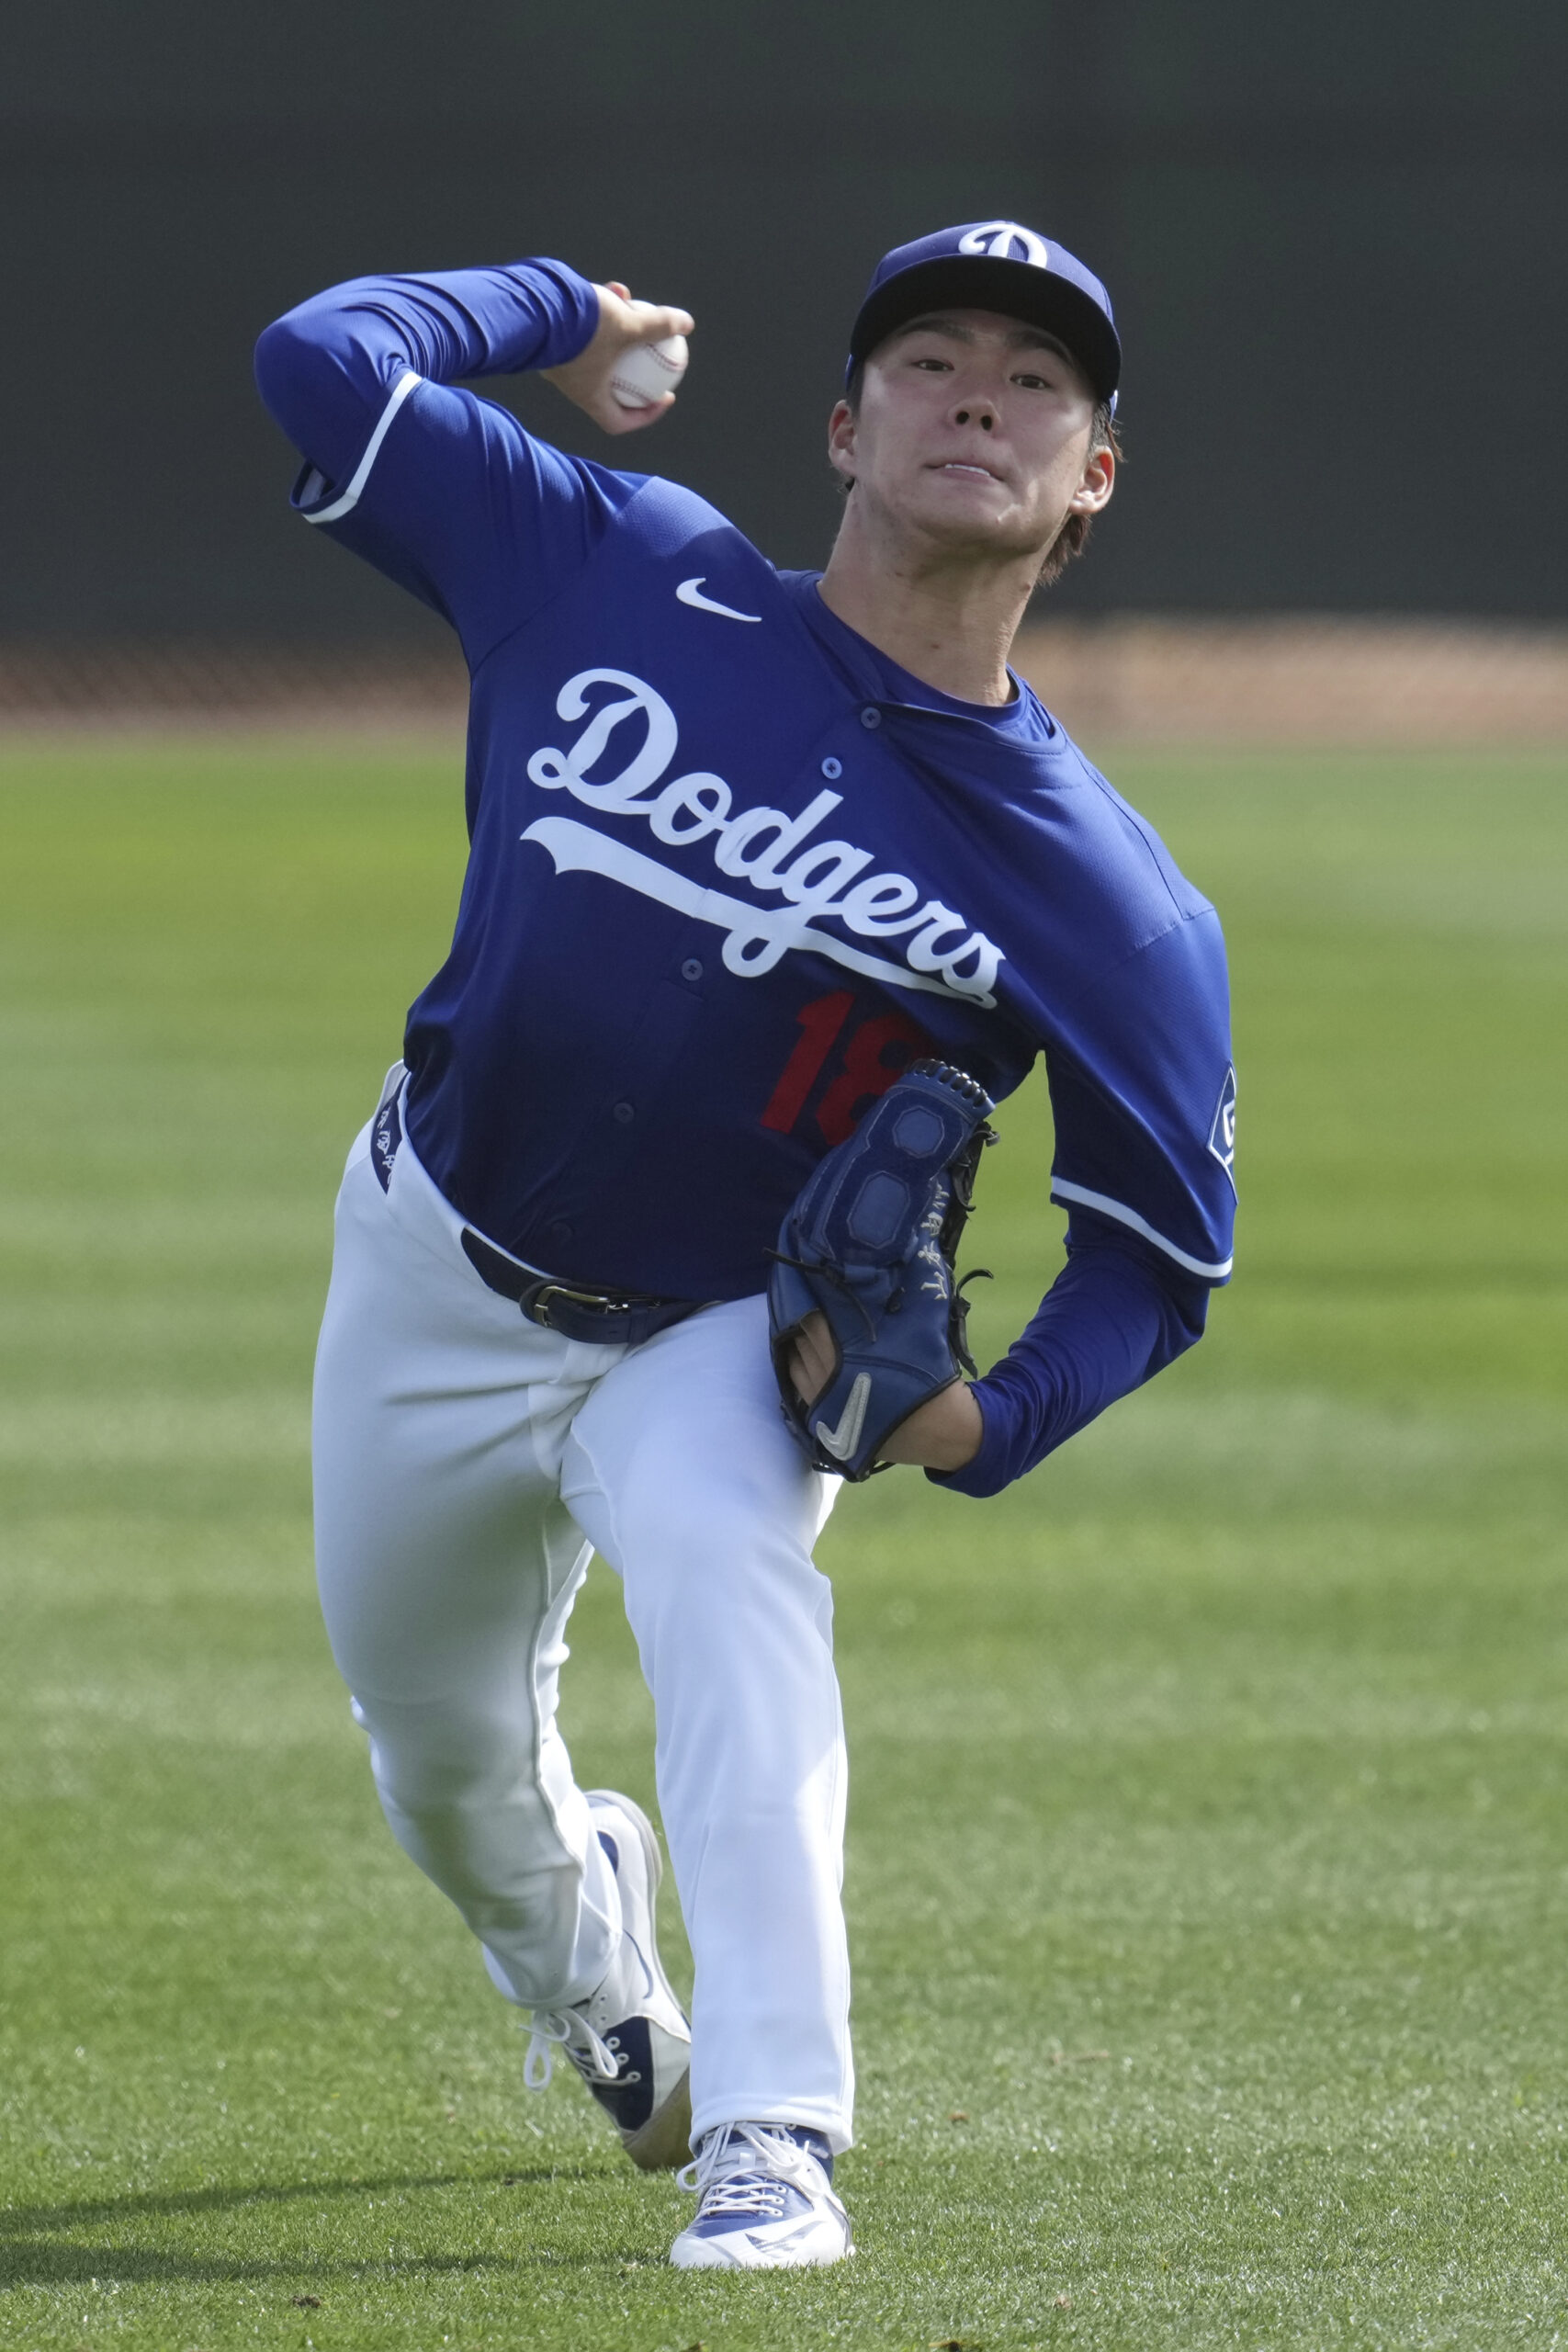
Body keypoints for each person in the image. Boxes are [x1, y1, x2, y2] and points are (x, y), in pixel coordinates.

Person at [254, 218, 1235, 2272]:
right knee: (439, 1762)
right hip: (431, 1257)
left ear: (1090, 480)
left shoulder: (1105, 897)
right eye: (930, 357)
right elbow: (320, 360)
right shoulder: (620, 563)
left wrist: (986, 1419)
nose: (978, 391)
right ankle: (603, 1987)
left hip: (713, 1333)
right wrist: (561, 314)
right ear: (843, 425)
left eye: (1034, 379)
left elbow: (1154, 1252)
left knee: (724, 1567)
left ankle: (773, 2133)